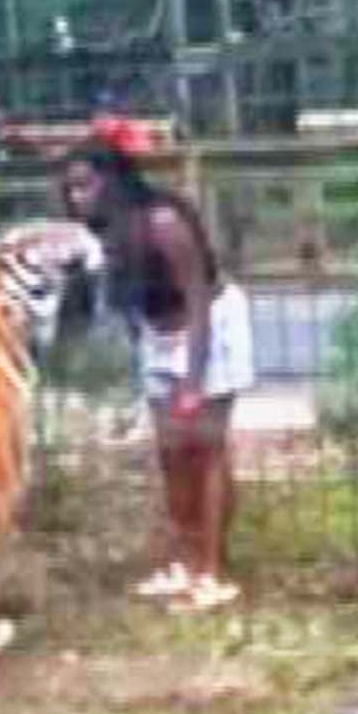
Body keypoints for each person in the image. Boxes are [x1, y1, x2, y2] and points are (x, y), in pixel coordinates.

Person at [58, 122, 254, 610]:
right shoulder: (99, 237)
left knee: (205, 447)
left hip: (208, 328)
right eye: (70, 189)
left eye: (86, 184)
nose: (78, 197)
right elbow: (118, 312)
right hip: (157, 334)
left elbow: (199, 303)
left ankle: (211, 572)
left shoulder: (163, 222)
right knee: (170, 451)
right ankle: (183, 561)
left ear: (115, 179)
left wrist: (191, 381)